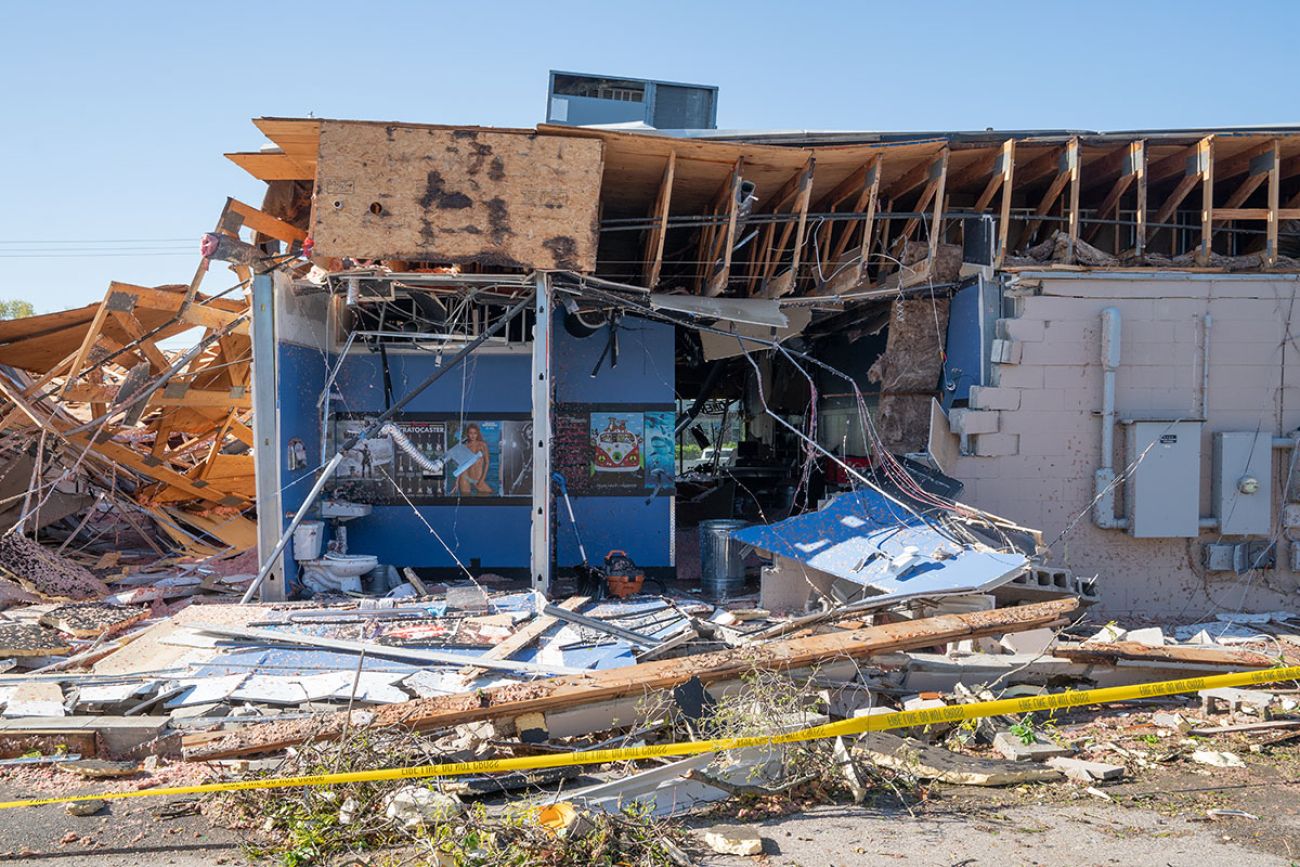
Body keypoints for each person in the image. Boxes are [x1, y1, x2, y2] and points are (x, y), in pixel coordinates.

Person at [456, 422, 494, 495]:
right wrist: (456, 482)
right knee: (466, 501)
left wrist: (482, 479)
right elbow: (461, 466)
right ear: (467, 434)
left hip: (478, 479)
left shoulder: (482, 445)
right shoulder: (465, 446)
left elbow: (487, 462)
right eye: (470, 433)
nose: (473, 435)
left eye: (475, 433)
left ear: (477, 434)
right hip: (465, 477)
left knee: (489, 494)